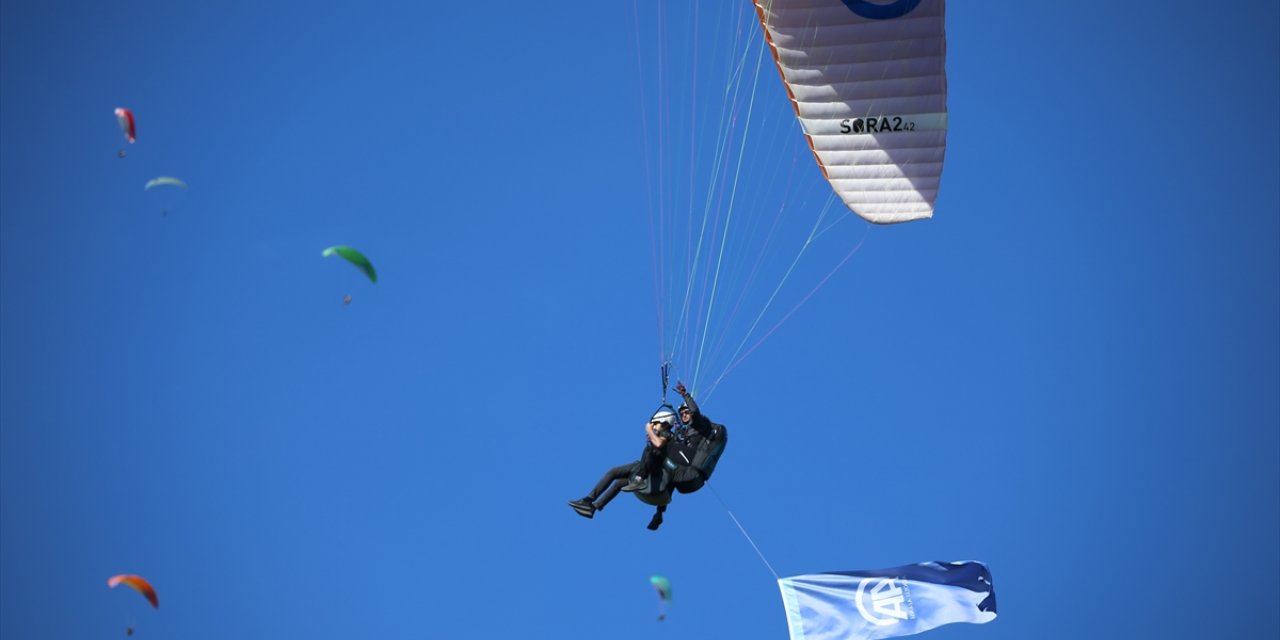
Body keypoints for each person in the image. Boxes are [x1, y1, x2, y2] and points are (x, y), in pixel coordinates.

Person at [568, 410, 675, 526]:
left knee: (615, 471)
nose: (653, 426)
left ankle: (589, 500)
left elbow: (659, 444)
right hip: (649, 473)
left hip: (652, 472)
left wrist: (649, 429)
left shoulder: (667, 434)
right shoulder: (660, 436)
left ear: (664, 423)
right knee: (618, 482)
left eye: (655, 423)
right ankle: (592, 506)